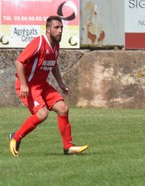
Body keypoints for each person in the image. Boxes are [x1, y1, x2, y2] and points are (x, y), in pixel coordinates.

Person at [9, 15, 88, 157]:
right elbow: (19, 62)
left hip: (42, 85)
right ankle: (15, 137)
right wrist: (24, 85)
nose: (60, 31)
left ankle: (68, 147)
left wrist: (61, 83)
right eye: (56, 28)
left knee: (63, 108)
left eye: (61, 28)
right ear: (48, 29)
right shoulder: (38, 43)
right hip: (28, 86)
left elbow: (54, 65)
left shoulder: (55, 45)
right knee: (42, 114)